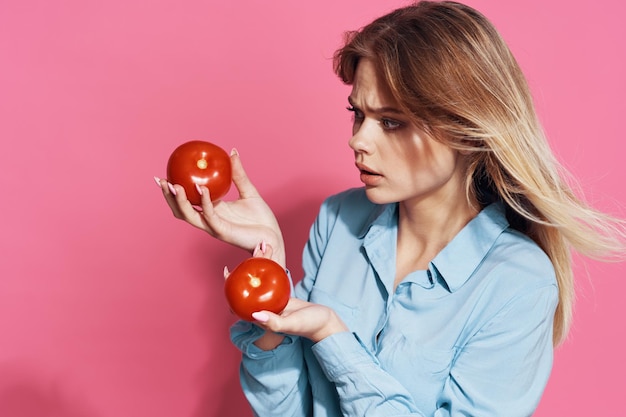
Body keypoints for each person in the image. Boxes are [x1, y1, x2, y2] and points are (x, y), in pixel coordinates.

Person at [155, 1, 626, 416]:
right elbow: (288, 410)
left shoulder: (519, 283)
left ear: (467, 128)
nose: (358, 140)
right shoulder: (337, 221)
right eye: (358, 113)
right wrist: (270, 267)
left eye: (392, 122)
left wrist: (332, 336)